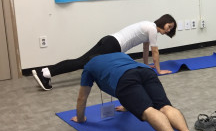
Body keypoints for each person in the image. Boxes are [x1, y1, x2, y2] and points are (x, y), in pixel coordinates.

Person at [71, 52, 198, 131]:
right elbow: (133, 77)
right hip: (146, 71)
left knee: (147, 110)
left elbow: (82, 98)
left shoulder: (89, 66)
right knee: (164, 106)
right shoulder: (119, 55)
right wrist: (127, 106)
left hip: (124, 79)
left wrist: (80, 118)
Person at [32, 14, 177, 91]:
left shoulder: (148, 26)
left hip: (109, 40)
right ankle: (45, 73)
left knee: (81, 61)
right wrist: (159, 70)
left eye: (171, 29)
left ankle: (44, 71)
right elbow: (155, 51)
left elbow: (146, 49)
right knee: (82, 63)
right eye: (169, 26)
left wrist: (146, 64)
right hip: (113, 45)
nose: (168, 30)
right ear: (163, 21)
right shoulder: (152, 29)